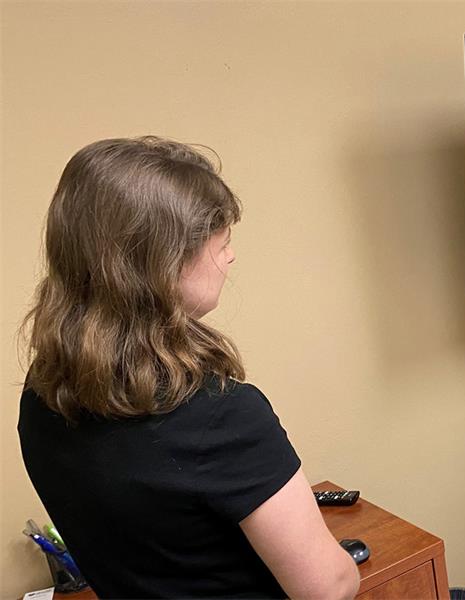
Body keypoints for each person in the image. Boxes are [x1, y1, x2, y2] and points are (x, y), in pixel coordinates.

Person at [18, 137, 360, 599]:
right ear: (164, 264)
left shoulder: (42, 394)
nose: (230, 256)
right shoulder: (221, 416)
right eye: (222, 242)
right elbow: (329, 588)